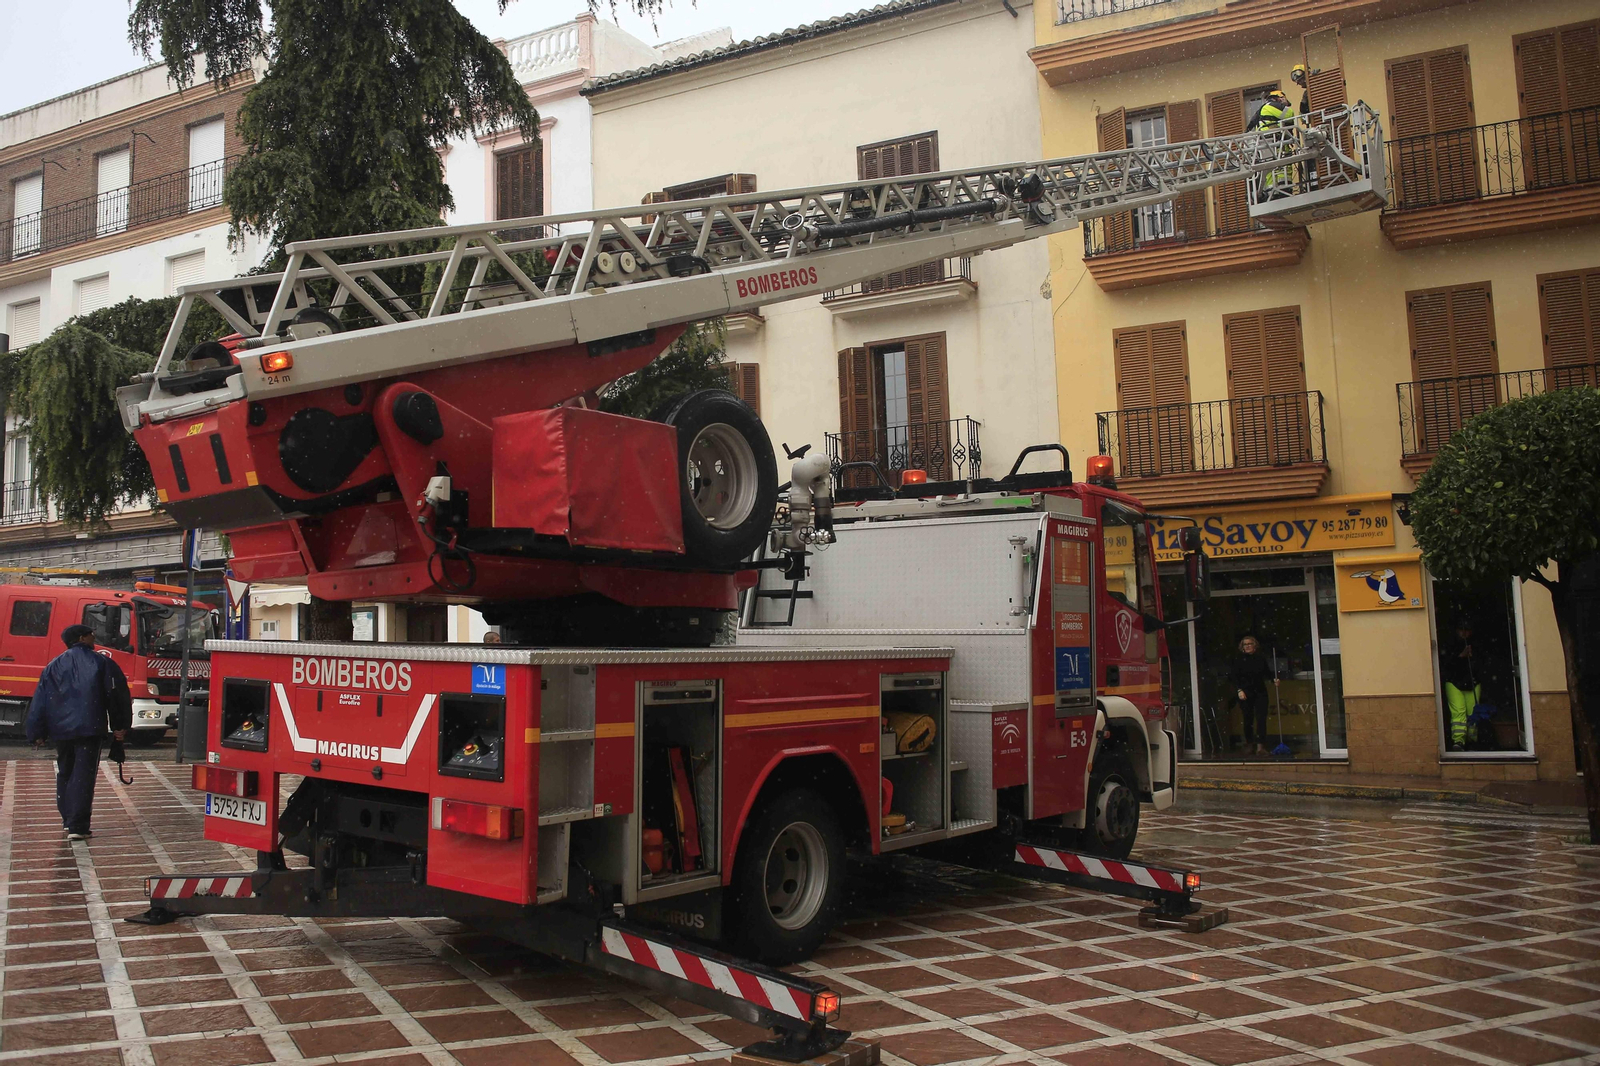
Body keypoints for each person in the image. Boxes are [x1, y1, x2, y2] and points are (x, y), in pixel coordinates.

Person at [25, 624, 133, 840]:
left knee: (65, 772)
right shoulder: (102, 663)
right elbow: (117, 697)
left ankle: (67, 819)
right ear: (82, 638)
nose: (95, 637)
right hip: (89, 728)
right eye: (91, 634)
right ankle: (78, 826)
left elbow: (40, 701)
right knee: (83, 776)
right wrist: (120, 727)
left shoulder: (53, 666)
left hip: (61, 730)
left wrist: (36, 732)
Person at [1246, 89, 1297, 198]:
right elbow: (1289, 114)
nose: (1284, 102)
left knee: (1269, 167)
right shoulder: (1272, 105)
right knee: (1284, 163)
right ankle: (1284, 187)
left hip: (1265, 144)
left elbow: (1250, 128)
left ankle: (1272, 190)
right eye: (1283, 99)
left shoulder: (1260, 111)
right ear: (1279, 97)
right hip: (1276, 142)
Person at [1440, 619, 1479, 751]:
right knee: (1458, 713)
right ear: (1456, 630)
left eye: (1467, 630)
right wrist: (1460, 656)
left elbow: (1483, 663)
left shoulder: (1477, 644)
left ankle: (1473, 740)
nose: (1464, 633)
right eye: (1461, 629)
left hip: (1473, 682)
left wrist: (1473, 657)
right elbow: (1445, 664)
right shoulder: (1449, 644)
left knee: (1473, 712)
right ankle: (1458, 741)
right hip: (1454, 682)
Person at [1231, 634, 1272, 756]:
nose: (1248, 646)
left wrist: (1274, 679)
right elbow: (1234, 677)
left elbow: (1267, 673)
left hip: (1260, 692)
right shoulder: (1238, 660)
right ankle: (1249, 744)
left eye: (1250, 644)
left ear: (1255, 646)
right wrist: (1239, 690)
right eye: (1245, 644)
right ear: (1242, 647)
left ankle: (1260, 746)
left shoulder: (1260, 659)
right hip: (1245, 692)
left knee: (1261, 719)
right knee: (1247, 719)